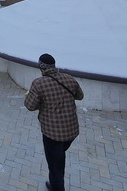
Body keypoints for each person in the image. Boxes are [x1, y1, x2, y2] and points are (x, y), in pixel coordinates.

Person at [25, 54, 84, 191]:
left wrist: (32, 96)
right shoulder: (69, 79)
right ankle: (55, 182)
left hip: (53, 134)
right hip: (71, 131)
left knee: (55, 165)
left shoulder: (39, 83)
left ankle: (56, 187)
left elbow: (30, 106)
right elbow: (80, 96)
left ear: (41, 67)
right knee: (58, 158)